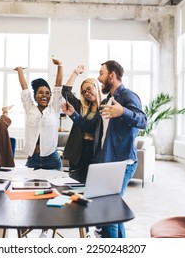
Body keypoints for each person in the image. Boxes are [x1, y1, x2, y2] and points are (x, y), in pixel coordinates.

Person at [61, 60, 147, 238]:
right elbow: (91, 126)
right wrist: (73, 115)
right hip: (106, 163)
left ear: (112, 75)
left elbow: (143, 121)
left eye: (101, 74)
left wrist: (122, 112)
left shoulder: (128, 96)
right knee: (111, 208)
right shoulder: (107, 100)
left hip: (121, 163)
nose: (99, 79)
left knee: (107, 209)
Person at [14, 58, 63, 171]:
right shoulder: (30, 108)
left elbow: (58, 88)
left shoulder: (54, 109)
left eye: (47, 93)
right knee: (30, 188)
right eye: (40, 92)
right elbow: (25, 90)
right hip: (33, 159)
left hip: (52, 159)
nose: (44, 95)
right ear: (35, 95)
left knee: (54, 188)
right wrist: (20, 71)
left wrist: (60, 65)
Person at [61, 65, 103, 183]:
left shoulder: (104, 107)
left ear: (96, 86)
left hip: (94, 151)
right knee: (75, 183)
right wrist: (75, 73)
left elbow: (91, 127)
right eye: (84, 92)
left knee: (91, 183)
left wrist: (74, 114)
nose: (86, 93)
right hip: (78, 149)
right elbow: (65, 92)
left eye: (89, 89)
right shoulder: (81, 106)